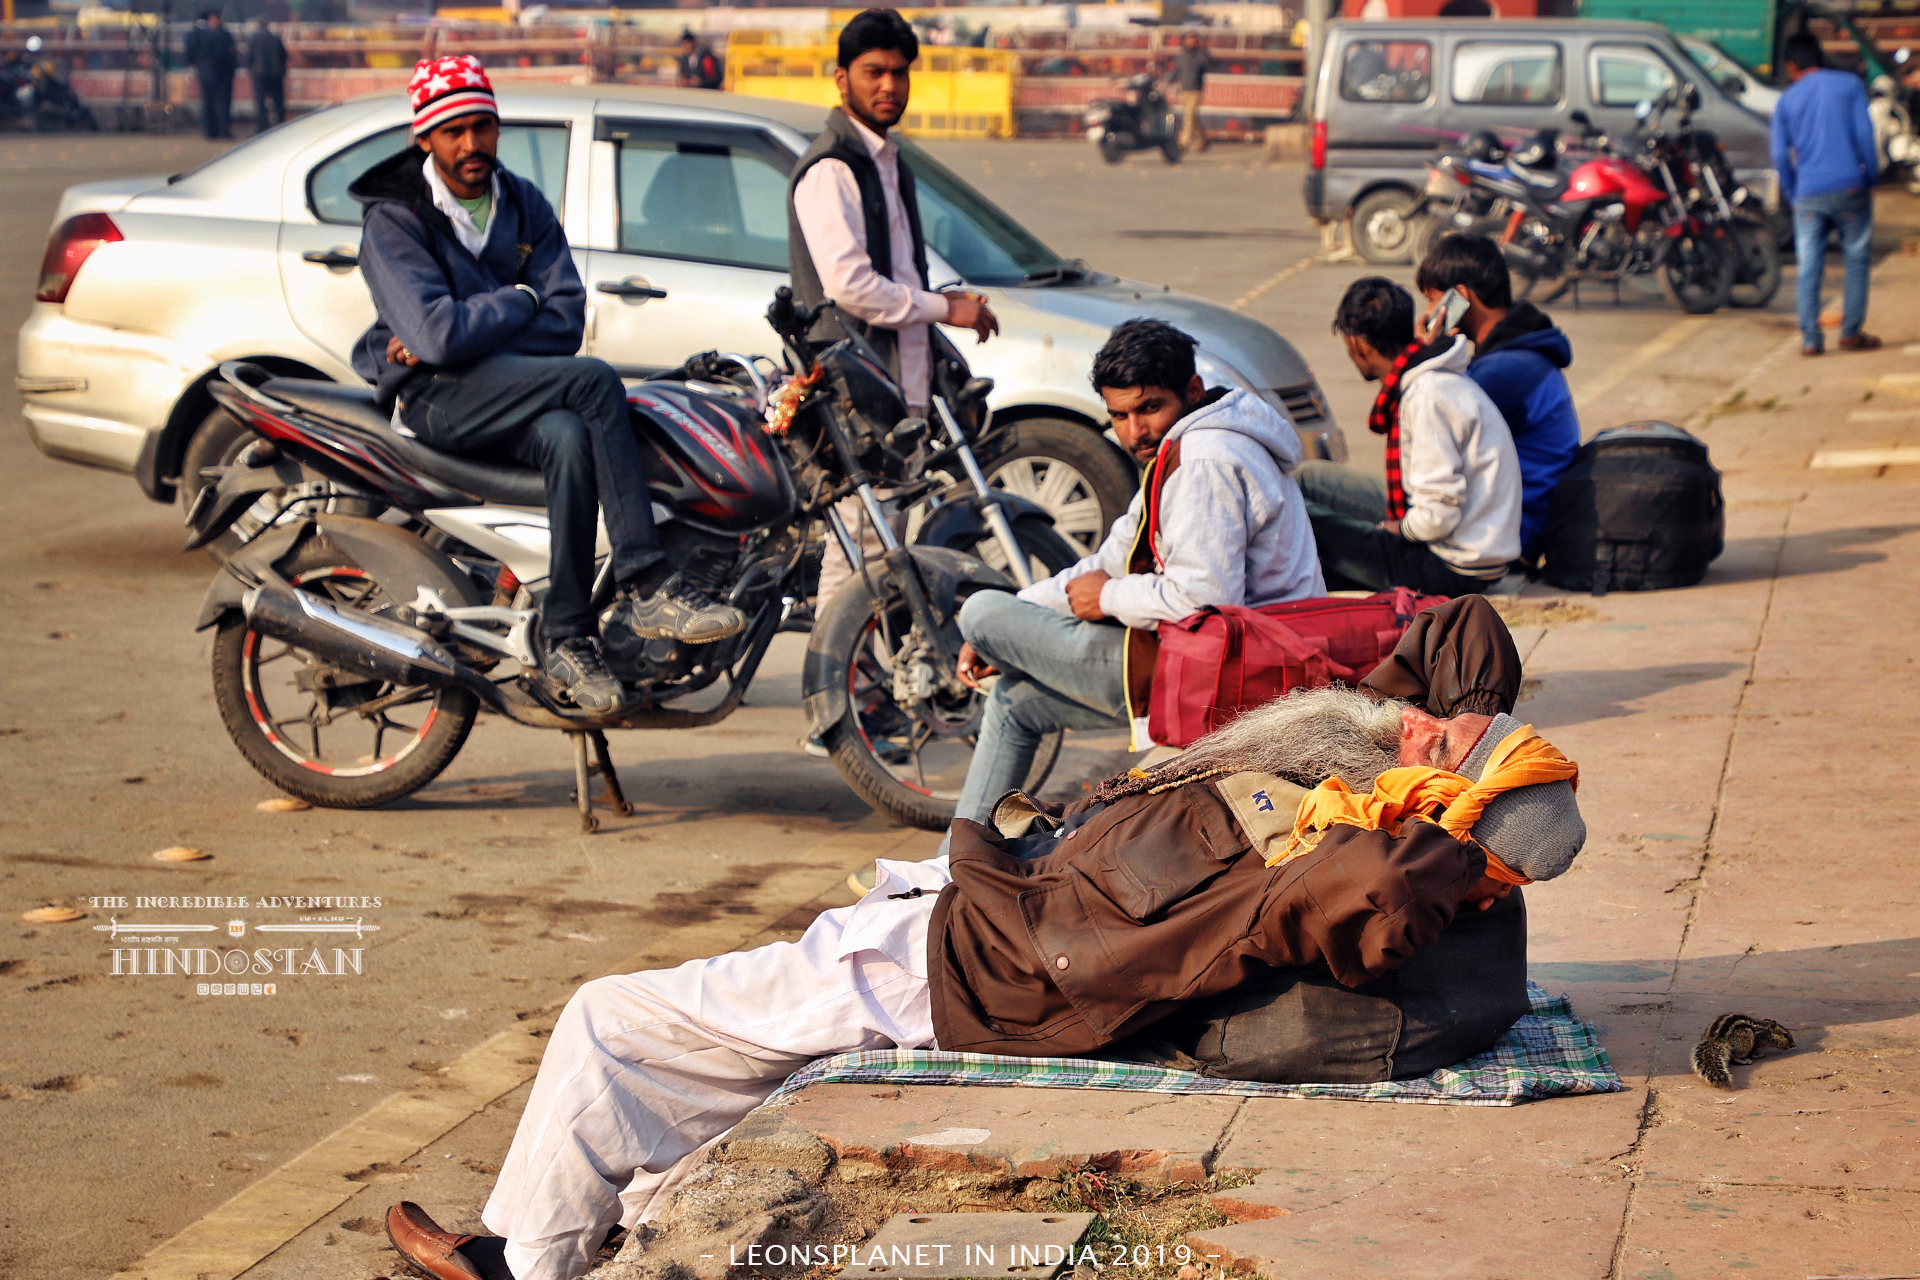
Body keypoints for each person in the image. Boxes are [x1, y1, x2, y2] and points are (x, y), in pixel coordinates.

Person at [379, 599, 1581, 1280]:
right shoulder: (1349, 760)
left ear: (1450, 807)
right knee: (717, 1031)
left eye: (1443, 745)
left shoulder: (1339, 853)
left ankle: (520, 1267)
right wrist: (1443, 742)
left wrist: (1442, 822)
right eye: (1434, 720)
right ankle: (556, 1227)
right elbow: (1458, 629)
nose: (1414, 720)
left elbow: (1380, 886)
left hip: (973, 968)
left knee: (612, 1013)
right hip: (975, 909)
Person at [349, 55, 744, 715]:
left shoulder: (522, 203)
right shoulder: (395, 219)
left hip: (503, 389)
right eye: (454, 132)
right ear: (425, 139)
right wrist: (521, 298)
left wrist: (484, 322)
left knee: (566, 434)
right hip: (434, 400)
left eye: (483, 126)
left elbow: (563, 321)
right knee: (593, 383)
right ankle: (646, 582)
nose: (472, 144)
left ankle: (565, 634)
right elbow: (438, 338)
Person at [947, 317, 1325, 826]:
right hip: (1213, 660)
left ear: (1191, 390)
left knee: (979, 610)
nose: (1135, 430)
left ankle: (959, 868)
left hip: (1239, 675)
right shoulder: (1178, 448)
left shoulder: (1205, 459)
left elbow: (1206, 596)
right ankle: (959, 866)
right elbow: (1108, 560)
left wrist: (1107, 599)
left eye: (1150, 408)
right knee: (1016, 699)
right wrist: (1024, 619)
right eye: (1119, 415)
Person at [788, 7, 1000, 750]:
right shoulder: (832, 169)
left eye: (899, 72)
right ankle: (833, 713)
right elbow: (854, 288)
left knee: (882, 556)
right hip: (854, 392)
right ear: (841, 77)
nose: (889, 85)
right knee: (855, 556)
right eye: (874, 72)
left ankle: (864, 703)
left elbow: (901, 272)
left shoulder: (888, 161)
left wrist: (941, 326)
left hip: (899, 390)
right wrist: (948, 307)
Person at [1295, 276, 1520, 595]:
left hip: (1451, 568)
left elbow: (1439, 515)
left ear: (1357, 344)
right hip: (1456, 540)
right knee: (1307, 479)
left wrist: (1397, 529)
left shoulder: (1425, 396)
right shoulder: (1429, 374)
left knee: (1292, 510)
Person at [1414, 233, 1579, 563]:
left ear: (1458, 297)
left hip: (1502, 539)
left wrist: (1425, 356)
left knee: (1319, 490)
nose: (1429, 314)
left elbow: (1425, 439)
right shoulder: (1520, 355)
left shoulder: (1502, 372)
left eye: (1433, 301)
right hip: (1511, 525)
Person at [1773, 30, 1881, 356]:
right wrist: (1871, 178)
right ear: (1820, 57)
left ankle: (1810, 338)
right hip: (1851, 186)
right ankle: (1850, 333)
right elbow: (1865, 134)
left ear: (1792, 66)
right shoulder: (1849, 85)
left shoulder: (1786, 101)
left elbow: (1779, 156)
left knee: (1809, 267)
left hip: (1808, 193)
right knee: (1857, 259)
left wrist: (1794, 192)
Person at [185, 9, 236, 141]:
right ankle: (222, 130)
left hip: (206, 73)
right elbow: (227, 53)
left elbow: (190, 52)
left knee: (208, 102)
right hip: (221, 74)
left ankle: (211, 131)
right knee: (221, 103)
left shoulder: (197, 35)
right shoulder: (222, 35)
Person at [247, 20, 288, 133]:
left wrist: (252, 70)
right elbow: (284, 55)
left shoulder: (253, 39)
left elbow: (249, 57)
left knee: (260, 103)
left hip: (259, 75)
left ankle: (261, 128)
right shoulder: (275, 38)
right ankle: (281, 126)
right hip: (276, 74)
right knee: (278, 102)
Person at [1173, 29, 1210, 153]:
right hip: (1184, 90)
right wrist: (1171, 82)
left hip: (1195, 90)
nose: (1191, 41)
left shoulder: (1201, 54)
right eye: (1189, 38)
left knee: (1188, 117)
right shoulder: (1182, 55)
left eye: (1194, 39)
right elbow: (1177, 70)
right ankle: (1203, 140)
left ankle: (1182, 143)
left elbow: (1206, 65)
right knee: (1193, 118)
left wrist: (1201, 48)